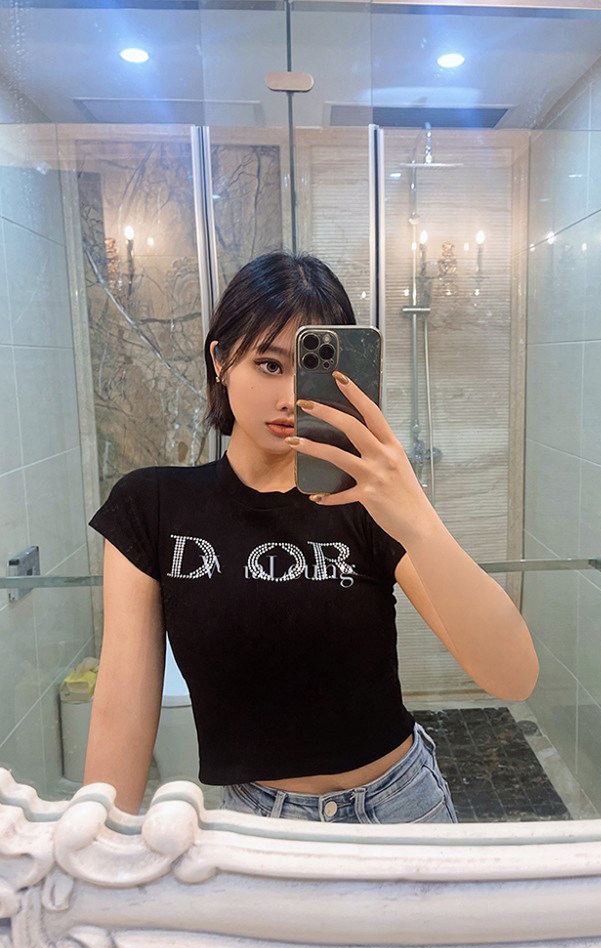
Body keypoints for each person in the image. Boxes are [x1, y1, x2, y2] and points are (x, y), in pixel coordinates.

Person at [84, 250, 539, 823]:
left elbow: (512, 676)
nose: (290, 397)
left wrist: (416, 516)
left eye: (311, 368)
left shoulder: (364, 500)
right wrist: (98, 847)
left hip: (402, 807)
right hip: (260, 824)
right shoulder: (151, 506)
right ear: (221, 360)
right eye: (268, 364)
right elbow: (122, 709)